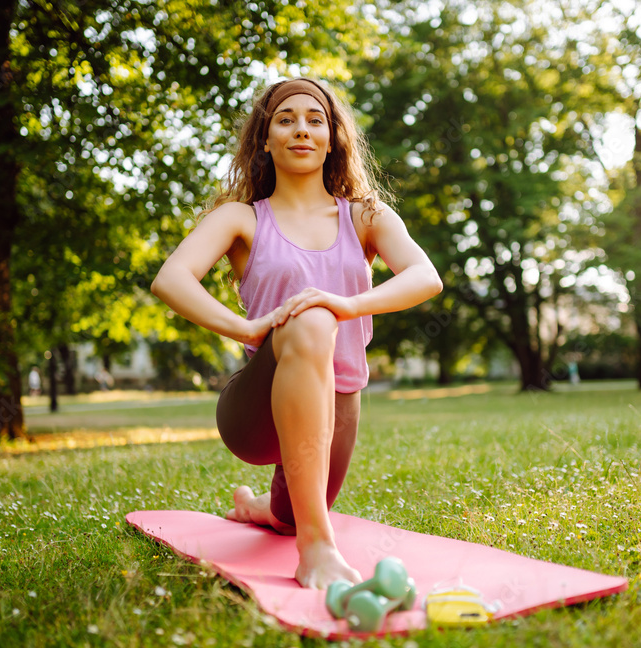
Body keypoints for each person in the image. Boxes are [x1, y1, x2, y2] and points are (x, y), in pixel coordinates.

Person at [150, 78, 443, 589]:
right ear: (265, 139)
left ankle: (261, 508)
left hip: (339, 403)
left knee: (289, 516)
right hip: (256, 411)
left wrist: (347, 303)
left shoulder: (366, 216)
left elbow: (426, 277)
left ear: (333, 138)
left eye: (315, 120)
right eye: (285, 120)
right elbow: (170, 279)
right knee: (309, 317)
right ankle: (316, 550)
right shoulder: (241, 218)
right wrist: (245, 326)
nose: (301, 130)